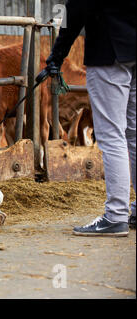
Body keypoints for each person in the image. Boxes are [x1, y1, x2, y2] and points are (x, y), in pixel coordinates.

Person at [45, 0, 136, 236]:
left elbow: (75, 9)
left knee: (111, 135)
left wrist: (56, 56)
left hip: (109, 53)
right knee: (134, 135)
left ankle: (115, 216)